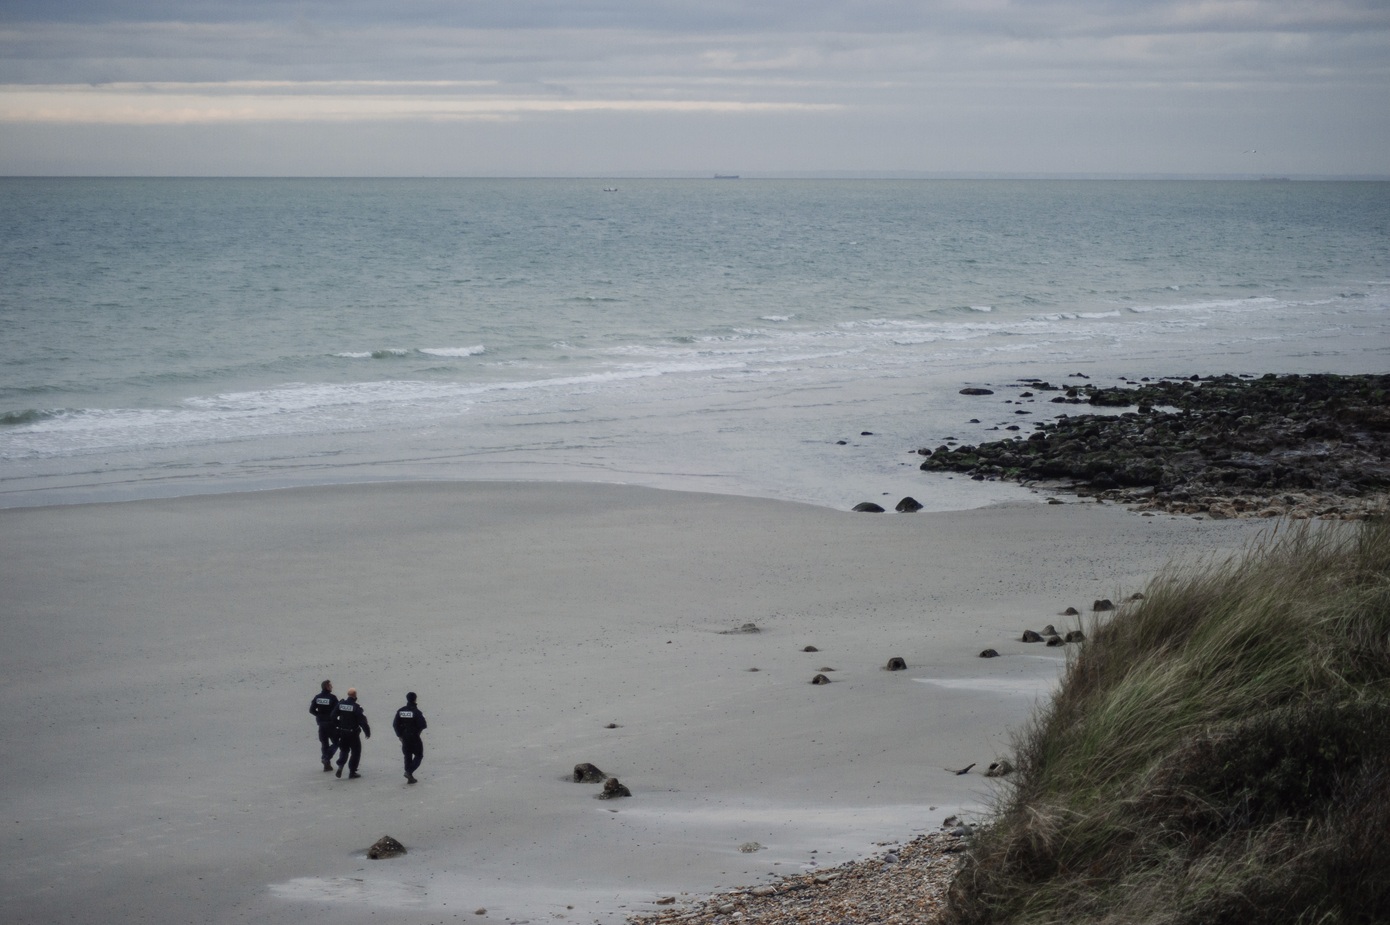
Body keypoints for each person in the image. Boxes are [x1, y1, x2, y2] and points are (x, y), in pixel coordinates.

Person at [332, 687, 371, 779]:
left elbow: (333, 716)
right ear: (355, 695)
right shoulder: (356, 707)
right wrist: (367, 732)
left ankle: (341, 765)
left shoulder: (340, 704)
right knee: (356, 752)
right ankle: (352, 772)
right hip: (353, 733)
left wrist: (339, 724)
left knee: (344, 750)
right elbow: (362, 721)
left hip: (342, 731)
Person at [392, 691, 428, 784]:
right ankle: (409, 772)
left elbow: (395, 724)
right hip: (414, 736)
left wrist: (399, 735)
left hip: (404, 737)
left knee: (407, 755)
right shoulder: (417, 712)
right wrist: (417, 731)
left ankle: (409, 776)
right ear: (415, 699)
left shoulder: (401, 711)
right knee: (419, 755)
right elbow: (423, 724)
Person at [309, 679, 338, 771]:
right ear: (327, 687)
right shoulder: (332, 698)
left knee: (324, 744)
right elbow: (337, 711)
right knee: (336, 742)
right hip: (331, 724)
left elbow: (311, 710)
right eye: (330, 685)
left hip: (321, 724)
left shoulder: (317, 697)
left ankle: (327, 765)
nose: (332, 687)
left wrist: (319, 716)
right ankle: (326, 757)